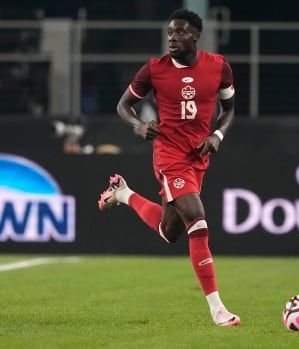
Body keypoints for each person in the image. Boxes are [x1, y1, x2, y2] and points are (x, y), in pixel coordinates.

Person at [97, 9, 239, 327]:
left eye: (180, 32)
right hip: (169, 154)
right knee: (197, 219)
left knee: (170, 232)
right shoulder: (155, 70)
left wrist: (217, 135)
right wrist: (136, 126)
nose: (173, 37)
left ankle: (123, 194)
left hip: (198, 157)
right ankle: (217, 309)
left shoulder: (219, 67)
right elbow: (123, 106)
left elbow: (230, 110)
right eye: (170, 32)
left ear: (196, 35)